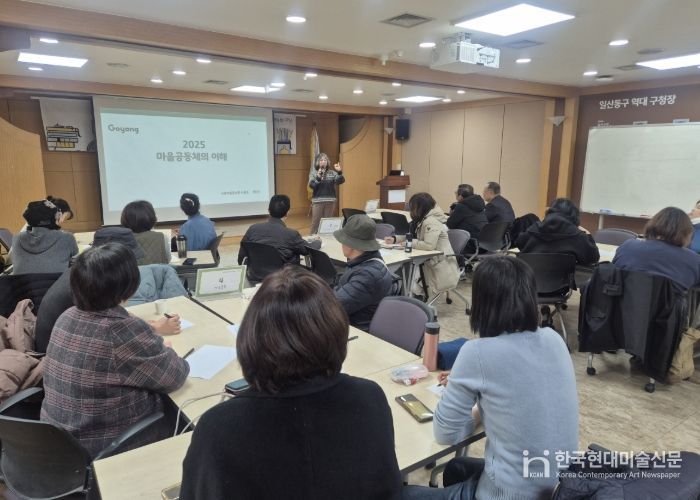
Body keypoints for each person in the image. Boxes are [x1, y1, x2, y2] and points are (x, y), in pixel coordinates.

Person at [180, 267, 402, 500]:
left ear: (251, 336)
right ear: (337, 331)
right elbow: (388, 487)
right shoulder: (370, 398)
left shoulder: (219, 428)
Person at [403, 257, 579, 500]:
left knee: (400, 493)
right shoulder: (554, 339)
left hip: (510, 494)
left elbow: (446, 434)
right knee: (456, 467)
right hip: (561, 488)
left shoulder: (477, 353)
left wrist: (477, 407)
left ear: (482, 303)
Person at [41, 242, 189, 458]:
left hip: (57, 442)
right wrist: (165, 349)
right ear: (129, 285)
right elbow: (175, 376)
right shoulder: (120, 331)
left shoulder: (67, 316)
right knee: (187, 418)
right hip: (105, 448)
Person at [34, 226, 182, 353]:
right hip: (59, 352)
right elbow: (116, 331)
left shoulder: (83, 273)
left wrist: (151, 327)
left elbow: (114, 314)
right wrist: (152, 332)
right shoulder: (90, 283)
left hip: (61, 350)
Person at [387, 192, 460, 299]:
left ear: (420, 207)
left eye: (412, 207)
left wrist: (410, 243)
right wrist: (395, 239)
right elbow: (413, 236)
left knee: (406, 273)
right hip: (428, 260)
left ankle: (410, 300)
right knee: (403, 271)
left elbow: (429, 245)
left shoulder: (431, 221)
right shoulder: (421, 219)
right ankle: (405, 297)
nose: (410, 210)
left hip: (438, 265)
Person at [613, 207, 700, 294]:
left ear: (652, 224)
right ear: (687, 233)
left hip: (624, 301)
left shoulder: (628, 247)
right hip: (667, 303)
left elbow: (614, 271)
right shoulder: (693, 260)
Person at [238, 194, 320, 282]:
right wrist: (318, 241)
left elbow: (241, 257)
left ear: (268, 210)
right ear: (287, 213)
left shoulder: (252, 229)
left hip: (255, 276)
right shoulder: (291, 234)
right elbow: (308, 250)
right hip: (283, 280)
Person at [333, 214, 394, 331]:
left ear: (351, 245)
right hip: (349, 322)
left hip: (356, 330)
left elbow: (335, 306)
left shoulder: (367, 275)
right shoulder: (363, 261)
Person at [517, 198, 600, 266]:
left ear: (551, 211)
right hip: (562, 281)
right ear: (574, 215)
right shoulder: (578, 236)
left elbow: (519, 243)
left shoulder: (534, 229)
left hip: (529, 279)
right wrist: (588, 234)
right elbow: (593, 258)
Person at [10, 199, 79, 274]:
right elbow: (77, 264)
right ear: (55, 217)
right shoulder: (67, 238)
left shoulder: (16, 238)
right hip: (56, 281)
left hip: (21, 281)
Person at [121, 200, 171, 265]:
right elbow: (168, 259)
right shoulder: (161, 237)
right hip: (157, 271)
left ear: (125, 219)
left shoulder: (121, 239)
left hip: (132, 272)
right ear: (152, 218)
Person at [309, 152, 345, 234]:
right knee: (315, 222)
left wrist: (339, 172)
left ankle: (325, 238)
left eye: (325, 160)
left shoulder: (332, 173)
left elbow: (341, 181)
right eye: (321, 160)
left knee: (327, 222)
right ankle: (312, 238)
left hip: (330, 201)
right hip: (318, 201)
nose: (323, 161)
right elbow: (312, 186)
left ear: (327, 162)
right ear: (318, 162)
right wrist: (318, 178)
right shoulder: (314, 173)